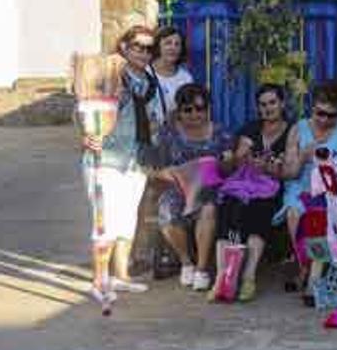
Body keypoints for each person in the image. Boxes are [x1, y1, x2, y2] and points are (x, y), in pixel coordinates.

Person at [79, 25, 164, 302]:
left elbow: (153, 119)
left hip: (134, 160)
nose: (143, 52)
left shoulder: (149, 82)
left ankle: (121, 275)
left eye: (149, 48)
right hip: (105, 160)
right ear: (125, 46)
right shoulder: (113, 74)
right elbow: (83, 106)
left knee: (127, 220)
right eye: (138, 46)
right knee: (105, 222)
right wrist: (85, 135)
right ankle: (99, 281)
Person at [277, 80, 337, 293]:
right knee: (295, 213)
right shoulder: (298, 128)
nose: (324, 120)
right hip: (302, 181)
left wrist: (335, 165)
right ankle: (304, 266)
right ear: (312, 107)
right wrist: (304, 156)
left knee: (322, 212)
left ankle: (312, 275)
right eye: (320, 113)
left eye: (331, 116)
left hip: (336, 184)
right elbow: (288, 172)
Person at [210, 84, 291, 301]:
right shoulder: (250, 129)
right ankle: (222, 277)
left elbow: (290, 170)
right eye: (263, 104)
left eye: (272, 103)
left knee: (258, 210)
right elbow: (233, 166)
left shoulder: (292, 131)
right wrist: (236, 158)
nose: (268, 108)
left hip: (272, 188)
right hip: (244, 185)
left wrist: (267, 168)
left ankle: (248, 276)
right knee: (227, 206)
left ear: (282, 103)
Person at [154, 84, 235, 291]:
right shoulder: (168, 134)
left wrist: (227, 161)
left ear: (208, 109)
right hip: (179, 188)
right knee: (167, 211)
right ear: (179, 112)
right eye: (188, 109)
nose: (195, 114)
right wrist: (166, 174)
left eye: (200, 108)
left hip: (210, 187)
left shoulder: (220, 133)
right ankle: (186, 262)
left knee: (208, 209)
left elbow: (228, 170)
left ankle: (201, 269)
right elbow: (157, 167)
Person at [150, 26, 193, 121]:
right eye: (168, 43)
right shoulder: (146, 73)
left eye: (177, 44)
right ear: (158, 46)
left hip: (170, 132)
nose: (173, 48)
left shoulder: (185, 79)